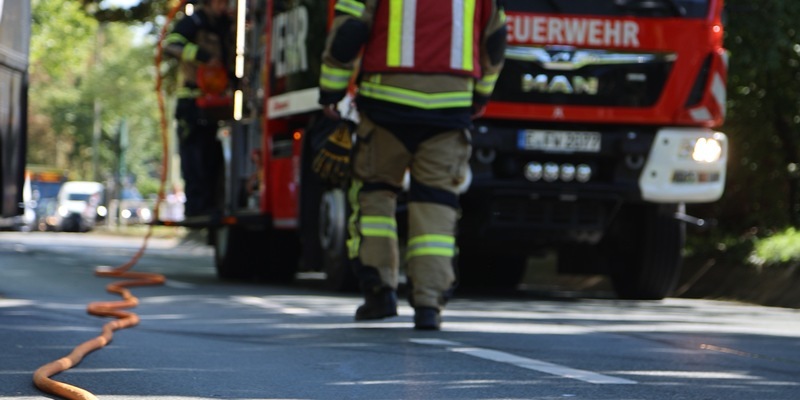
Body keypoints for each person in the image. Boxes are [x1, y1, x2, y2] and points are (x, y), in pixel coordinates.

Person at [318, 0, 507, 330]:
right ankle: (429, 305)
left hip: (385, 108)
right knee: (436, 204)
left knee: (375, 193)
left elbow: (348, 34)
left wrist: (331, 91)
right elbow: (496, 40)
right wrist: (479, 96)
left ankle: (379, 292)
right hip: (450, 110)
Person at [164, 0, 233, 217]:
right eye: (221, 2)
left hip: (215, 102)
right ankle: (195, 207)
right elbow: (171, 44)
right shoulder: (194, 21)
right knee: (194, 156)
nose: (225, 6)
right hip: (192, 102)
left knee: (212, 156)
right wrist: (203, 57)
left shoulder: (225, 24)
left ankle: (210, 205)